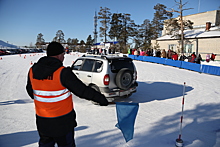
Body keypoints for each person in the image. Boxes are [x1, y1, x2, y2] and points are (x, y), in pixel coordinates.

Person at [26, 42, 108, 147]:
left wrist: (45, 101)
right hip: (63, 123)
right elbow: (82, 91)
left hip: (43, 122)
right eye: (63, 55)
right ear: (59, 55)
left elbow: (30, 91)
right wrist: (101, 99)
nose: (63, 57)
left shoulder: (32, 71)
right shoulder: (62, 73)